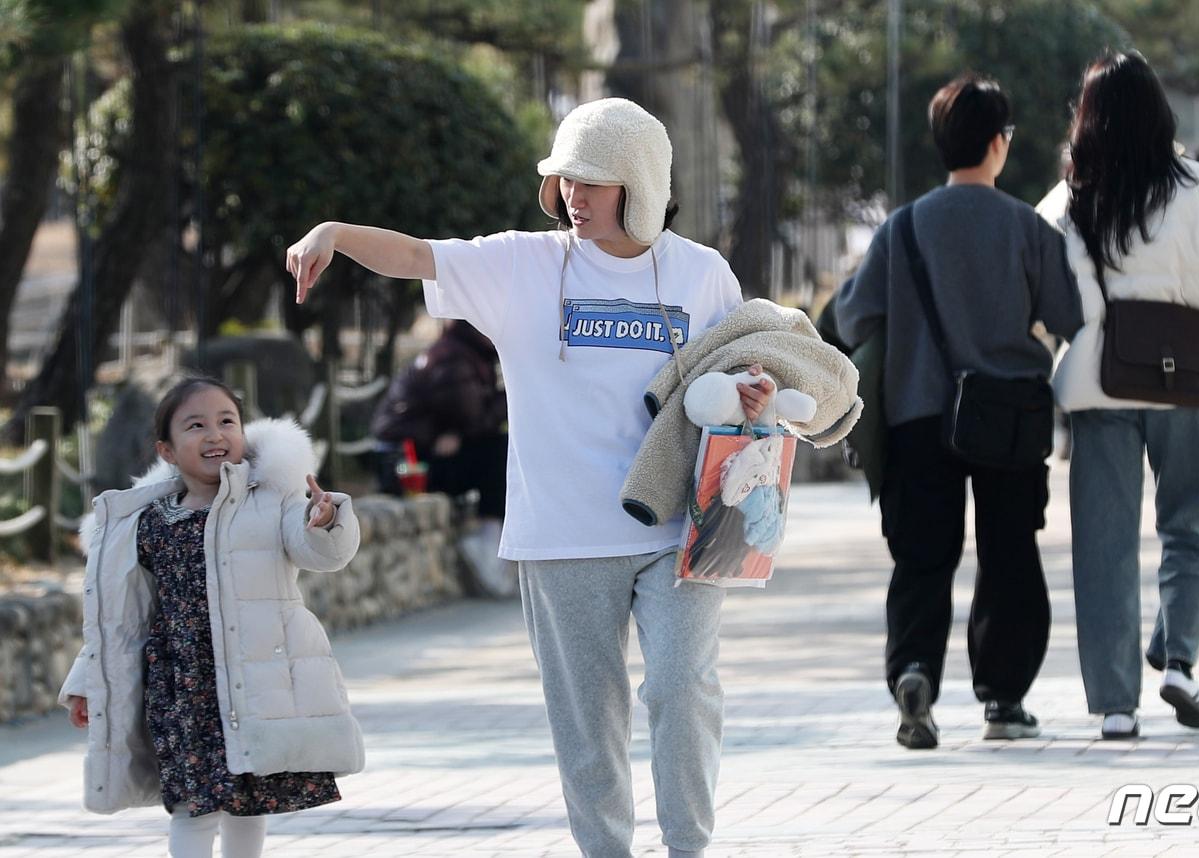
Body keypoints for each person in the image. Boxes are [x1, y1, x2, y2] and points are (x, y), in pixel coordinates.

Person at [285, 97, 771, 858]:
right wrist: (335, 235)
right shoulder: (524, 264)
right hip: (562, 533)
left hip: (679, 526)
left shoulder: (702, 274)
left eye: (595, 180)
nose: (574, 196)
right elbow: (417, 256)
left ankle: (688, 848)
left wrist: (752, 392)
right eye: (565, 178)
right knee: (588, 723)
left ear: (640, 182)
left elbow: (741, 371)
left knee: (684, 689)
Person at [1040, 51, 1199, 741]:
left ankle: (1117, 705)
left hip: (1099, 386)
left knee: (1104, 544)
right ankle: (1179, 658)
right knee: (1187, 523)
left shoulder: (1068, 199)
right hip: (1183, 382)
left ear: (1086, 119)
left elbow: (1038, 293)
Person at [834, 74, 1084, 750]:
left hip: (917, 415)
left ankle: (914, 672)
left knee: (921, 559)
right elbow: (1068, 315)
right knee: (1008, 557)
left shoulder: (902, 228)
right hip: (1006, 415)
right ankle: (1003, 699)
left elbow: (853, 313)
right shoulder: (1027, 228)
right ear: (999, 144)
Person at [57, 378, 363, 858]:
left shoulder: (272, 501)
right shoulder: (149, 520)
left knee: (248, 797)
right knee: (192, 805)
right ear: (168, 450)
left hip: (252, 678)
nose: (214, 434)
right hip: (181, 688)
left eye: (226, 422)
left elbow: (319, 553)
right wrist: (87, 680)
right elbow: (120, 616)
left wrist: (326, 522)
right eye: (195, 425)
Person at [370, 318, 514, 596]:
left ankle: (491, 538)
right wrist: (510, 397)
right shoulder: (453, 358)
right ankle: (486, 541)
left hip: (419, 454)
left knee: (499, 448)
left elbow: (466, 420)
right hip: (406, 464)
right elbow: (473, 417)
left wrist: (455, 434)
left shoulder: (460, 352)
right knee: (500, 450)